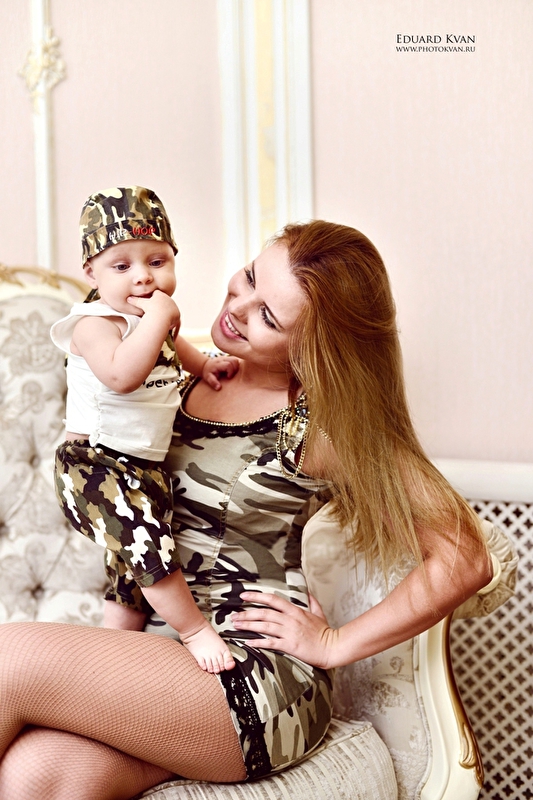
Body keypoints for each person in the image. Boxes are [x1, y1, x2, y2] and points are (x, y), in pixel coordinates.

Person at [0, 220, 492, 800]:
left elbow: (464, 557)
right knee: (38, 775)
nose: (237, 306)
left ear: (312, 348)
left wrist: (334, 643)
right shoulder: (177, 368)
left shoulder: (322, 428)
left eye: (269, 317)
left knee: (9, 656)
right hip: (163, 661)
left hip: (253, 678)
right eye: (252, 277)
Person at [51, 185, 239, 674]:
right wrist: (159, 317)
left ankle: (113, 656)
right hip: (93, 466)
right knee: (149, 550)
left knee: (130, 574)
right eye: (121, 266)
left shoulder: (155, 317)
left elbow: (174, 349)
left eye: (157, 261)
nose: (143, 277)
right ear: (91, 273)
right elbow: (122, 375)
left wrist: (204, 366)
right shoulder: (94, 323)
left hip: (143, 466)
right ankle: (194, 630)